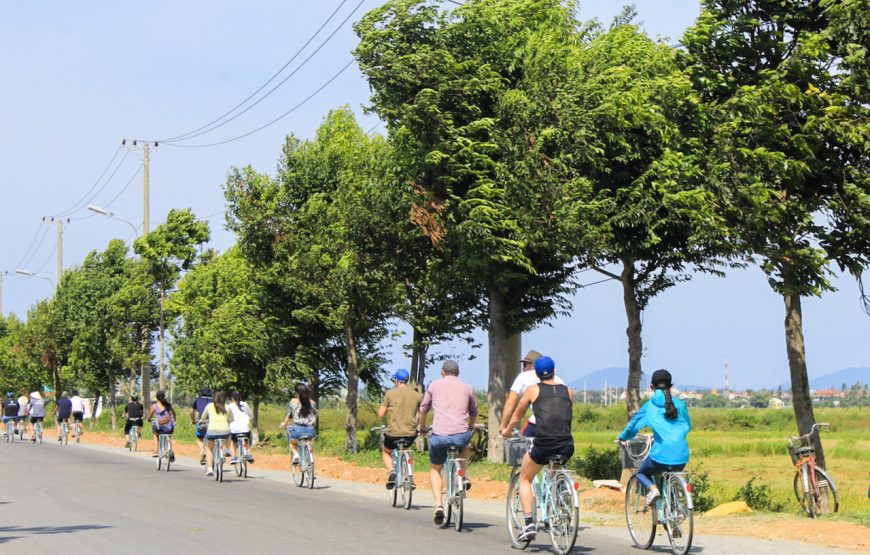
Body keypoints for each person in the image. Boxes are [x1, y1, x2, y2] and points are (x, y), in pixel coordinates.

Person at [505, 356, 575, 541]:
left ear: (535, 373)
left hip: (544, 443)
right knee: (555, 471)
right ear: (555, 371)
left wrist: (506, 430)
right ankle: (562, 494)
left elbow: (517, 414)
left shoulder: (532, 389)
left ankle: (529, 523)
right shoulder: (568, 391)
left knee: (525, 477)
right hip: (567, 443)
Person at [617, 369, 691, 508]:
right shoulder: (680, 405)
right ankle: (674, 513)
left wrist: (622, 437)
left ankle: (653, 489)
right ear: (671, 385)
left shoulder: (649, 406)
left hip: (660, 456)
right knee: (671, 476)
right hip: (682, 456)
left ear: (652, 386)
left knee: (641, 473)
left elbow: (632, 427)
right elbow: (687, 425)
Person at [417, 360, 478, 526]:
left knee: (435, 468)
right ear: (458, 373)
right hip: (460, 435)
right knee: (464, 444)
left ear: (442, 372)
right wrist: (470, 427)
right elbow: (474, 411)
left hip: (439, 436)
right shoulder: (467, 387)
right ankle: (463, 476)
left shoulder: (434, 385)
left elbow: (424, 408)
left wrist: (422, 427)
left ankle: (438, 505)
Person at [499, 349, 566, 438]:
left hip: (538, 426)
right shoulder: (560, 382)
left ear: (534, 366)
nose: (523, 368)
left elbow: (513, 405)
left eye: (525, 365)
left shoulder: (524, 377)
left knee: (526, 447)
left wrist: (504, 426)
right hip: (561, 429)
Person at [378, 369, 422, 490]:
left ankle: (391, 471)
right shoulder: (417, 395)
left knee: (386, 452)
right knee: (406, 450)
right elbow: (421, 413)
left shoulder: (390, 394)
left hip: (393, 433)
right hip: (410, 433)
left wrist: (389, 409)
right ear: (406, 380)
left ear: (397, 380)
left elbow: (381, 414)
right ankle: (409, 477)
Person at [281, 383, 317, 466]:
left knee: (292, 443)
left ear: (297, 392)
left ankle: (296, 455)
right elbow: (315, 414)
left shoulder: (293, 401)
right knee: (310, 443)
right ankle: (310, 460)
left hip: (297, 429)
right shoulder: (312, 403)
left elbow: (289, 415)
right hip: (310, 429)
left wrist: (285, 423)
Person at [199, 389, 232, 477]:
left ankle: (210, 469)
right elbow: (231, 419)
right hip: (224, 432)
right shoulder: (227, 407)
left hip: (212, 431)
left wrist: (201, 421)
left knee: (209, 449)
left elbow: (203, 417)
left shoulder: (209, 406)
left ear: (214, 397)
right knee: (229, 434)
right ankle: (227, 449)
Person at [148, 390, 176, 461]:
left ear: (157, 398)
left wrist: (148, 419)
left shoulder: (154, 406)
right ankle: (170, 450)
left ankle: (155, 451)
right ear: (164, 397)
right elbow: (174, 414)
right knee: (169, 435)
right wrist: (174, 421)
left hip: (160, 427)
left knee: (155, 433)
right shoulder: (168, 405)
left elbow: (150, 416)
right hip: (170, 427)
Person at [227, 391, 254, 465]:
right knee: (247, 440)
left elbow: (227, 417)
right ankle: (248, 453)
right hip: (245, 429)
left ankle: (233, 457)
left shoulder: (229, 406)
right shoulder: (244, 404)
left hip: (234, 430)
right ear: (240, 397)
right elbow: (251, 415)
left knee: (233, 441)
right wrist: (250, 418)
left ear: (232, 398)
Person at [189, 387, 213, 466]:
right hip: (213, 424)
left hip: (202, 424)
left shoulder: (197, 400)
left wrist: (193, 420)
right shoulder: (214, 400)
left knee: (199, 439)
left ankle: (203, 450)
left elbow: (192, 412)